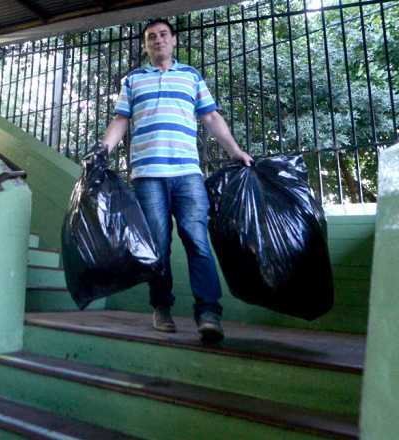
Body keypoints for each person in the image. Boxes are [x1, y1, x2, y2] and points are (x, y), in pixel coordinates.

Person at [99, 18, 253, 343]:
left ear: (174, 41)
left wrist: (236, 151)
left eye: (163, 35)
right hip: (147, 175)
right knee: (158, 246)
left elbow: (211, 117)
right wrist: (103, 149)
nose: (157, 40)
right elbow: (120, 119)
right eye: (151, 37)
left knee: (198, 240)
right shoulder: (134, 80)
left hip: (187, 174)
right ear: (145, 45)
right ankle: (161, 307)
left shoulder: (191, 76)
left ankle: (208, 313)